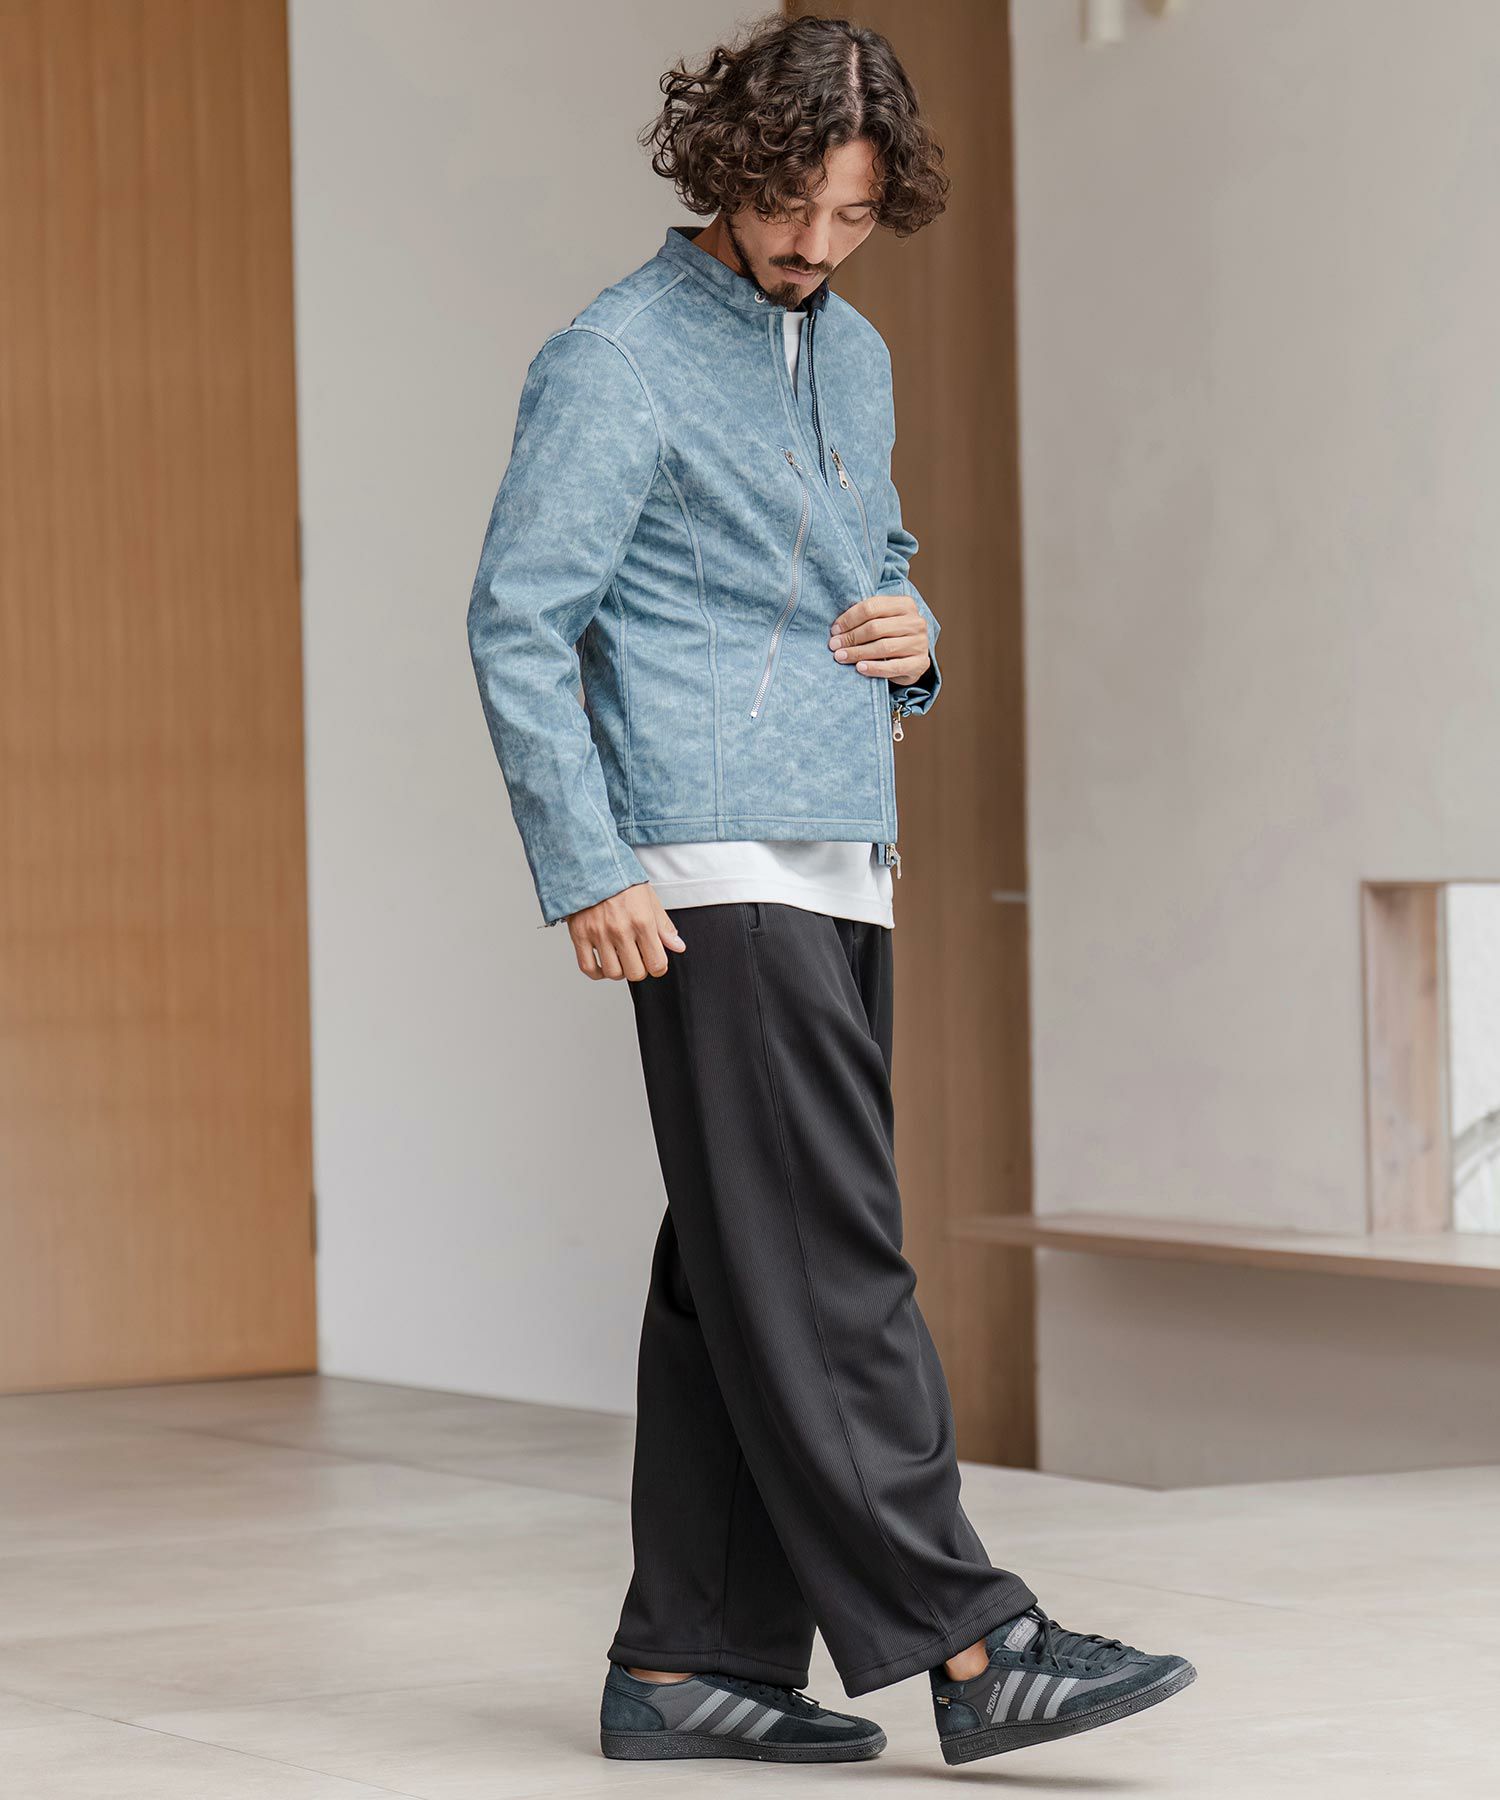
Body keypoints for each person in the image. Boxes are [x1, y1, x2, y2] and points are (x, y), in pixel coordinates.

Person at [466, 10, 1194, 1769]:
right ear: (725, 168)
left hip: (840, 853)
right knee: (826, 1255)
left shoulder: (849, 354)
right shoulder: (617, 357)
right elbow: (519, 620)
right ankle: (971, 1641)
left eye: (852, 216)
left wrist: (915, 640)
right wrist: (588, 863)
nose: (813, 242)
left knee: (744, 1260)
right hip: (703, 864)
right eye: (790, 205)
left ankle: (688, 1664)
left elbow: (874, 563)